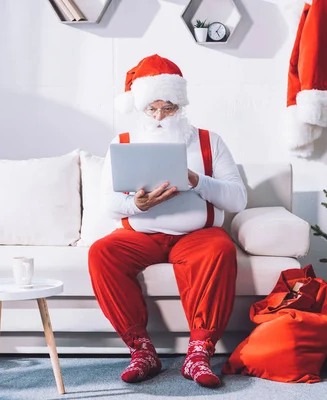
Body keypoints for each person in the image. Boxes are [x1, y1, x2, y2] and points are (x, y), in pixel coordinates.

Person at [88, 54, 247, 388]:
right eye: (152, 109)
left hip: (196, 235)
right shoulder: (123, 143)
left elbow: (237, 199)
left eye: (168, 108)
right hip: (141, 236)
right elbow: (108, 204)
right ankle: (141, 350)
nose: (159, 117)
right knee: (102, 252)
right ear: (140, 108)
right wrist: (137, 204)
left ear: (181, 106)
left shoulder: (209, 141)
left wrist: (198, 181)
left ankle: (199, 353)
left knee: (220, 248)